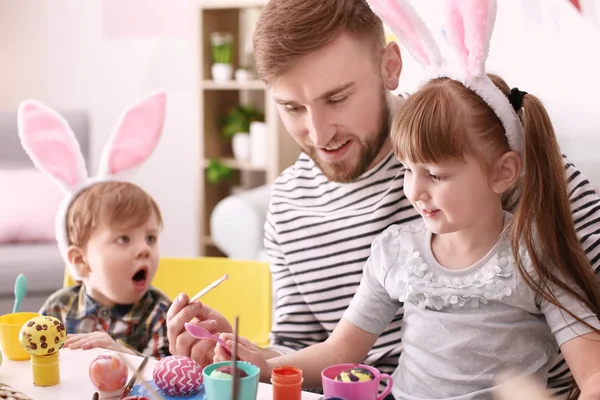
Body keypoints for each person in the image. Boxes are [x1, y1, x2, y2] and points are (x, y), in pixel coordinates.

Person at [166, 0, 600, 395]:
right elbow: (309, 353)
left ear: (390, 66)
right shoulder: (289, 208)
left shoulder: (487, 144)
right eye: (292, 108)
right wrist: (246, 357)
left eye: (337, 98)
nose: (319, 134)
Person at [18, 92, 172, 359]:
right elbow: (36, 367)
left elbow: (167, 383)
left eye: (150, 238)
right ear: (80, 260)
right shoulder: (59, 309)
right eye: (124, 239)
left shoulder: (160, 315)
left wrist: (121, 355)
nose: (144, 249)